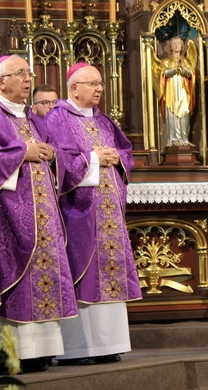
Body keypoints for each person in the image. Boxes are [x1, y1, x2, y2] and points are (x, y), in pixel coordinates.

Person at [44, 63, 141, 365]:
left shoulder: (104, 121)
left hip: (109, 213)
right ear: (74, 88)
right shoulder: (57, 118)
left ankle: (108, 344)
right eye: (93, 83)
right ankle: (77, 350)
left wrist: (116, 157)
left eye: (100, 83)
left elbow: (126, 153)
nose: (99, 88)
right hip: (78, 212)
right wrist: (94, 158)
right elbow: (57, 161)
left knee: (109, 273)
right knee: (80, 274)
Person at [0, 55, 78, 373]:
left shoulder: (31, 117)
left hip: (43, 215)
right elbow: (17, 152)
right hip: (9, 217)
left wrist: (50, 153)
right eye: (20, 74)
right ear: (1, 81)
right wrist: (23, 153)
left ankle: (41, 351)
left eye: (28, 73)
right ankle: (11, 353)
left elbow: (49, 149)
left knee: (45, 277)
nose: (27, 78)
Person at [157, 36, 195, 147]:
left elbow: (191, 74)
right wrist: (174, 69)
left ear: (182, 46)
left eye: (178, 43)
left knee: (185, 113)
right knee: (172, 114)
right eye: (174, 44)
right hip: (171, 92)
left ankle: (184, 138)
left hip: (183, 91)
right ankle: (173, 139)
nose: (176, 45)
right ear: (170, 46)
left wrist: (183, 69)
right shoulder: (166, 61)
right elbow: (162, 74)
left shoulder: (186, 61)